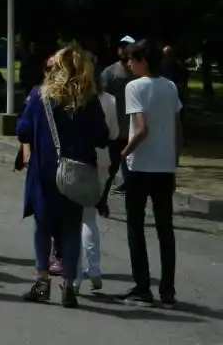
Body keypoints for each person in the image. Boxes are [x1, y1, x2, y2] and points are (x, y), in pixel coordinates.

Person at [17, 45, 108, 308]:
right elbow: (102, 136)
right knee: (71, 228)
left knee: (43, 226)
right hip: (76, 172)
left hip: (45, 170)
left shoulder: (40, 95)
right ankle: (68, 284)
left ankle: (43, 280)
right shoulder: (88, 98)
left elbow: (23, 132)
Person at [120, 39, 182, 307]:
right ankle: (167, 290)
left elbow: (141, 128)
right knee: (165, 229)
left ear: (143, 61)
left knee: (136, 227)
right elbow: (178, 129)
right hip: (164, 166)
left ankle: (142, 286)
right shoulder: (170, 86)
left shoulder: (134, 86)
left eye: (132, 60)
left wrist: (123, 152)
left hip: (140, 166)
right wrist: (174, 160)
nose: (129, 65)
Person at [75, 73, 119, 294]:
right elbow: (115, 133)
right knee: (89, 218)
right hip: (100, 161)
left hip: (75, 162)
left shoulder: (71, 97)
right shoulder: (109, 100)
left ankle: (74, 277)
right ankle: (95, 269)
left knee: (72, 220)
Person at [100, 36, 135, 193]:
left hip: (133, 126)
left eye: (127, 47)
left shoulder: (138, 72)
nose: (123, 50)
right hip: (114, 126)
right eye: (121, 47)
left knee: (131, 160)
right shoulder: (109, 72)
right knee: (112, 163)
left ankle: (129, 186)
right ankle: (103, 196)